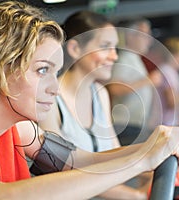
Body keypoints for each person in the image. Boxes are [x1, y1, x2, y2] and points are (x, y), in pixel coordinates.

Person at [0, 1, 179, 199]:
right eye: (42, 71)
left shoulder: (17, 128)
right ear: (2, 66)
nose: (55, 89)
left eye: (55, 72)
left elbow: (79, 159)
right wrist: (142, 160)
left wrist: (166, 143)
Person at [38, 10, 150, 199]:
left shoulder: (100, 94)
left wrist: (153, 166)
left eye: (115, 48)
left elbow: (115, 154)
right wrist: (136, 195)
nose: (114, 56)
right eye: (105, 47)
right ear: (74, 49)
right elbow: (61, 170)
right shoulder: (50, 101)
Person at [106, 17, 163, 146]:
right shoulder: (124, 59)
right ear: (131, 36)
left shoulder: (135, 59)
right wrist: (147, 81)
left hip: (134, 125)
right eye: (145, 35)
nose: (149, 40)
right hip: (125, 126)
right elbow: (115, 88)